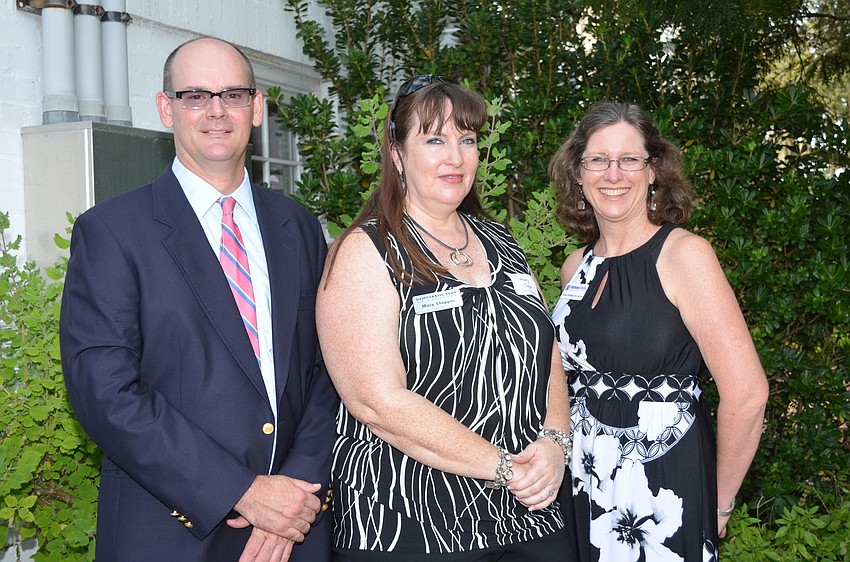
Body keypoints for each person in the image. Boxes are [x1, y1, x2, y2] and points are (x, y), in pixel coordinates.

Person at [60, 37, 337, 562]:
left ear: (256, 109)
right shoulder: (112, 232)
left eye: (232, 94)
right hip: (171, 531)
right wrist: (245, 491)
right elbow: (104, 392)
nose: (216, 110)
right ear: (166, 109)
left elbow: (328, 369)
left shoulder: (297, 226)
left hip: (296, 528)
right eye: (194, 95)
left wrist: (296, 487)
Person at [315, 75, 578, 562]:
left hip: (531, 513)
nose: (455, 157)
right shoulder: (366, 251)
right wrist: (504, 468)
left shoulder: (501, 241)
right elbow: (377, 402)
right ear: (397, 154)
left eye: (467, 139)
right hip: (413, 524)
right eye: (434, 139)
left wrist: (555, 442)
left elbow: (549, 354)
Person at [549, 101, 769, 561]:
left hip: (661, 488)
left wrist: (719, 502)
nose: (614, 173)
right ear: (578, 173)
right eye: (598, 160)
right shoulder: (576, 267)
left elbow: (747, 394)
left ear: (653, 171)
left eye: (630, 159)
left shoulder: (684, 255)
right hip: (584, 481)